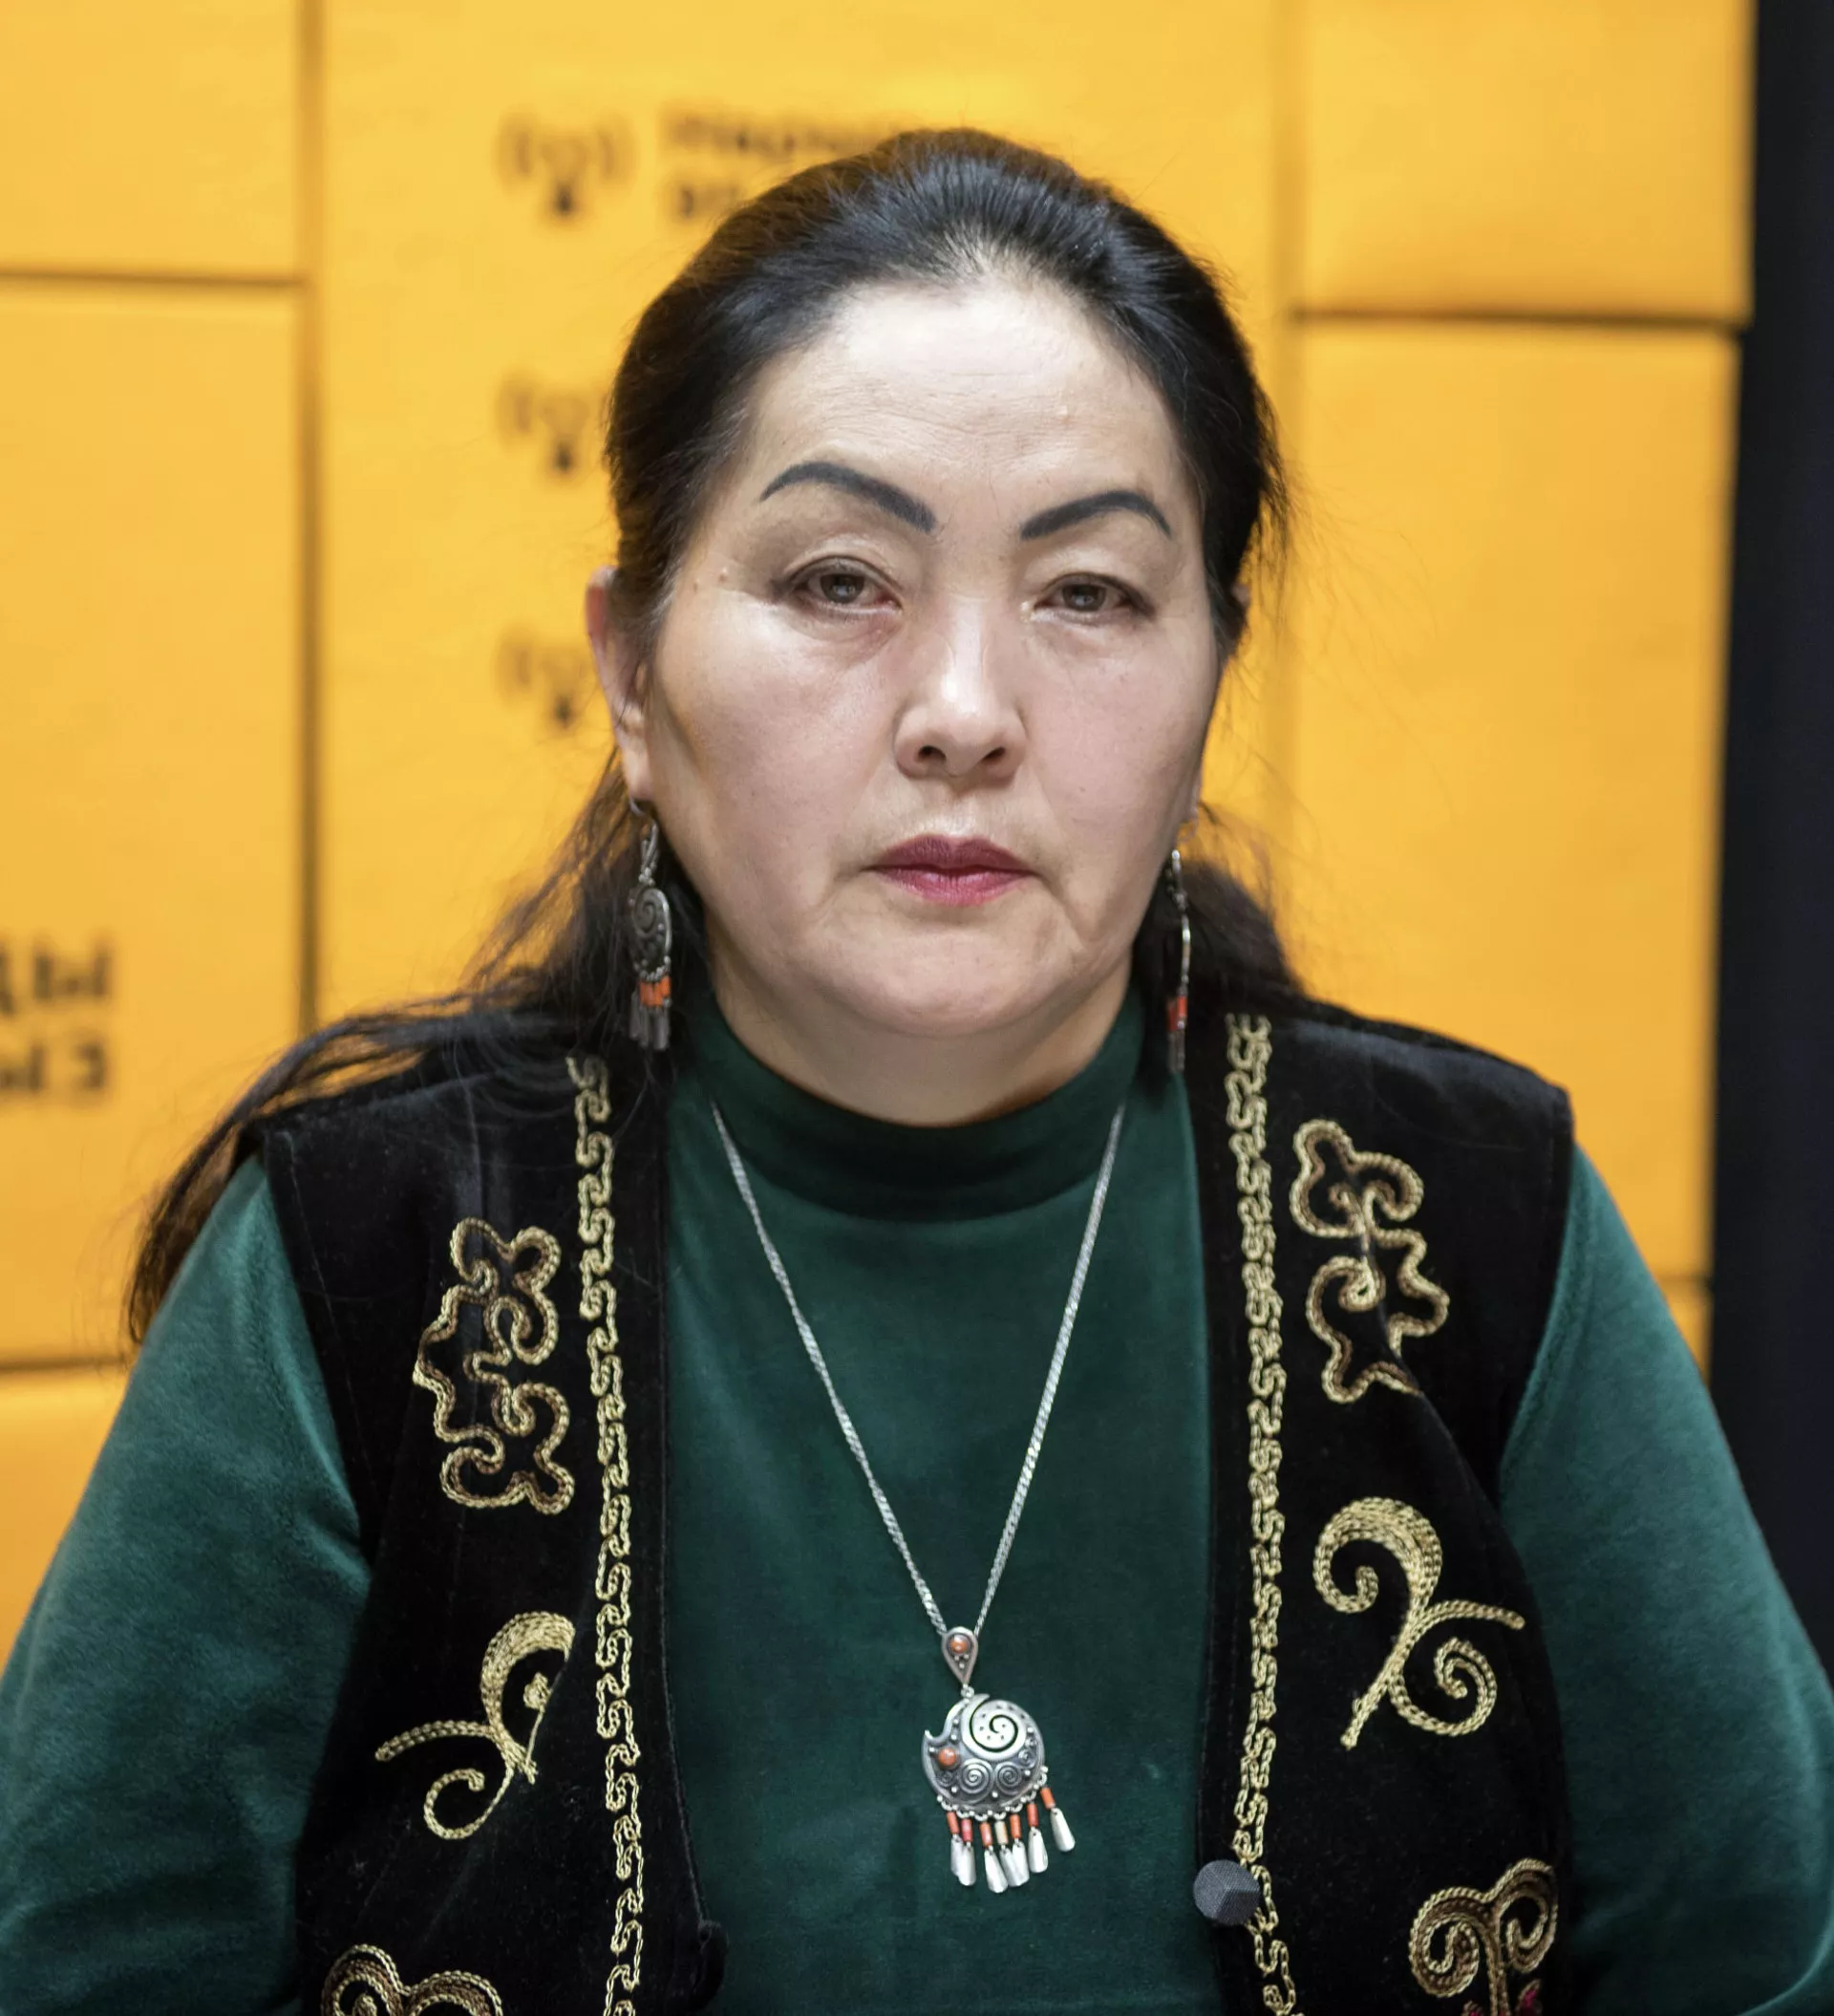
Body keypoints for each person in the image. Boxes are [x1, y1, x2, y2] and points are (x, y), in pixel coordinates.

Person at [0, 129, 1829, 2016]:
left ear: (1215, 673)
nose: (965, 714)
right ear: (631, 676)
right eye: (837, 579)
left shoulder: (1464, 1225)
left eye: (1089, 594)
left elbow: (1758, 1947)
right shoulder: (369, 1261)